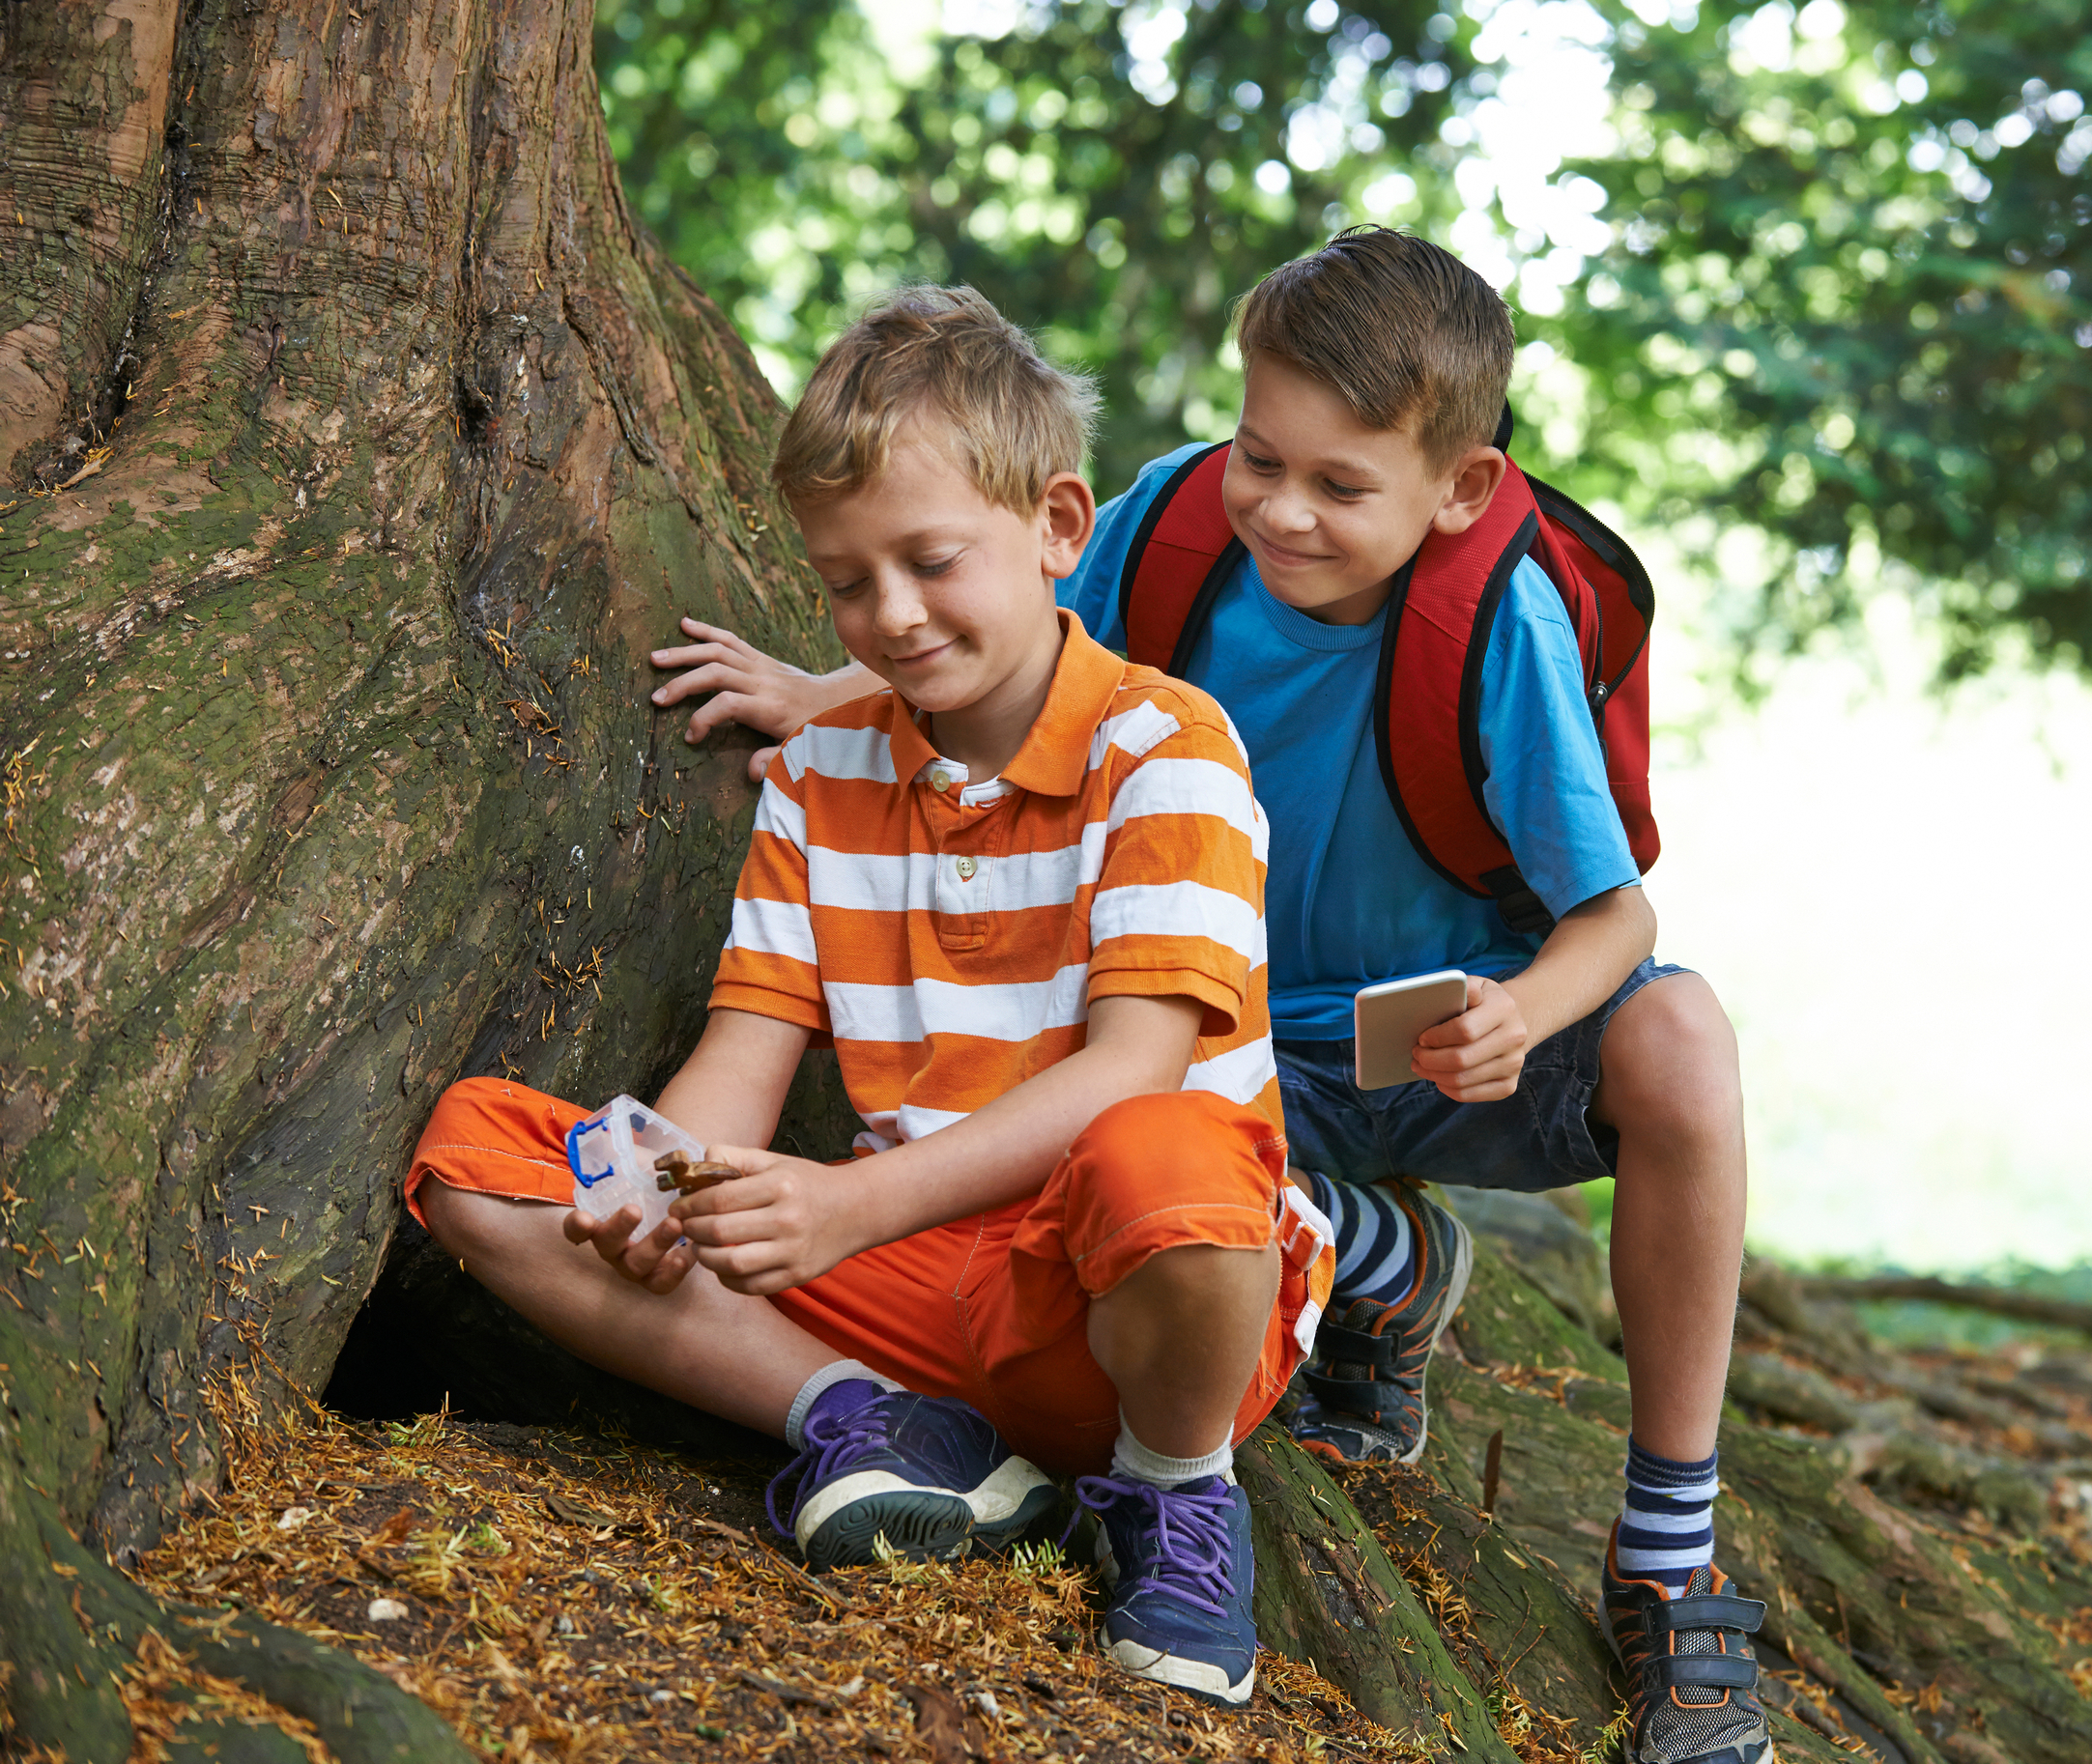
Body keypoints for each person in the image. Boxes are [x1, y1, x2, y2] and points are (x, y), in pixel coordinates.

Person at [654, 230, 1768, 1764]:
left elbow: (1614, 912)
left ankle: (1669, 1546)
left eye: (1336, 484)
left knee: (1684, 1037)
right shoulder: (1177, 523)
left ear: (1454, 488)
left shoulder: (1491, 619)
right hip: (1217, 1042)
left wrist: (1523, 1010)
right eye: (1262, 458)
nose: (1281, 510)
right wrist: (818, 693)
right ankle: (1368, 1255)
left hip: (1442, 1037)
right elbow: (1004, 625)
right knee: (1149, 1150)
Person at [407, 285, 1330, 1709]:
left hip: (1129, 1303)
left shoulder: (1167, 748)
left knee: (1171, 1156)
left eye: (930, 560)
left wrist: (842, 1205)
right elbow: (742, 1056)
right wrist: (666, 1184)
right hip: (904, 1285)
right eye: (846, 582)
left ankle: (1175, 1494)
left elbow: (1135, 1067)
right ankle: (870, 1421)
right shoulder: (823, 774)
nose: (889, 616)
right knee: (484, 1154)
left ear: (1058, 528)